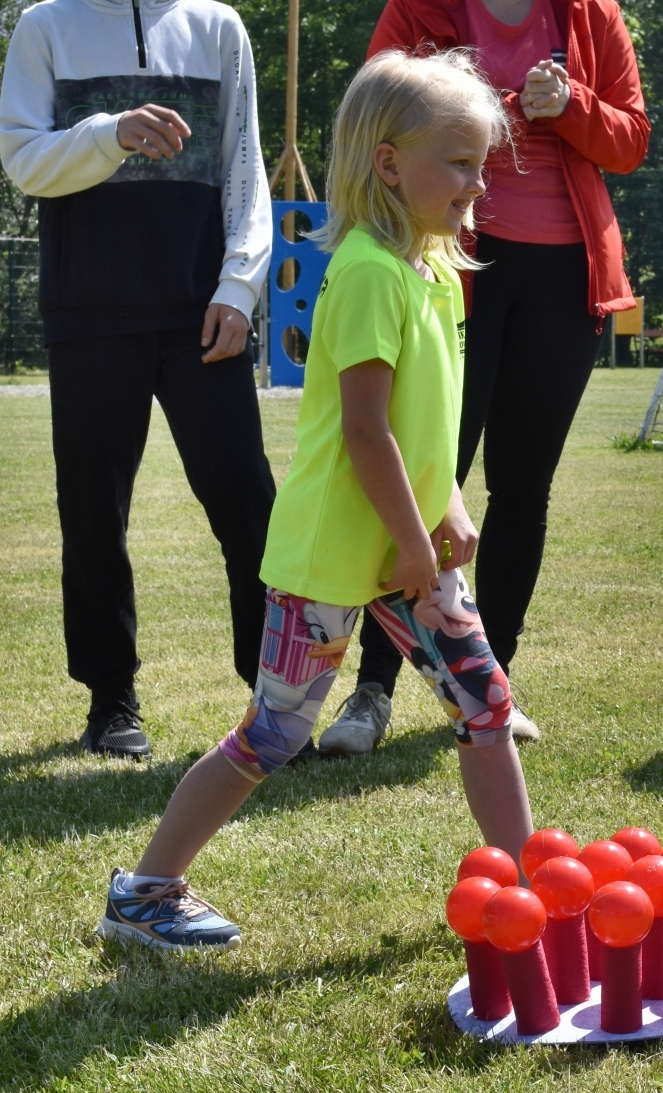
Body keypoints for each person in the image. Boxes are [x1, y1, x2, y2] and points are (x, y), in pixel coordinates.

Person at [97, 50, 537, 950]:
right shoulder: (370, 271)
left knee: (486, 708)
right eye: (459, 162)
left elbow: (424, 422)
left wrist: (448, 503)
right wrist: (413, 544)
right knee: (274, 733)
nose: (476, 182)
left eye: (482, 164)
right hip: (336, 555)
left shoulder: (435, 271)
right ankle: (145, 892)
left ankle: (533, 888)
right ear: (388, 163)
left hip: (412, 550)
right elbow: (367, 433)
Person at [317, 0, 649, 757]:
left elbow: (631, 139)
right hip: (446, 270)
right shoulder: (420, 0)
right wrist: (481, 106)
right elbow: (373, 119)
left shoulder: (591, 7)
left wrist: (572, 105)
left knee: (523, 489)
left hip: (564, 274)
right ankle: (371, 695)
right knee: (425, 479)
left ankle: (485, 690)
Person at [0, 0, 275, 758]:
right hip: (91, 316)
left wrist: (239, 287)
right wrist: (110, 132)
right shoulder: (44, 28)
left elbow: (245, 170)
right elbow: (24, 162)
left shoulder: (217, 27)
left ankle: (274, 697)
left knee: (249, 504)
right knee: (93, 515)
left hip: (203, 314)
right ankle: (111, 702)